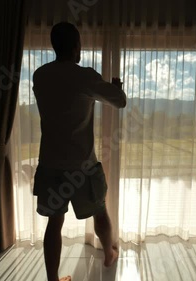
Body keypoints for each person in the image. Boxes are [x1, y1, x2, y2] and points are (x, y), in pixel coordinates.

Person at [32, 22, 127, 281]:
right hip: (83, 166)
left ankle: (52, 279)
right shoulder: (84, 76)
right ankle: (108, 252)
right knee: (99, 210)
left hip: (51, 164)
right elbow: (120, 102)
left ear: (54, 46)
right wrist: (116, 87)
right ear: (77, 47)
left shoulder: (40, 75)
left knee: (54, 223)